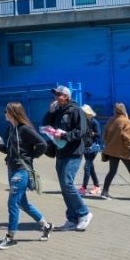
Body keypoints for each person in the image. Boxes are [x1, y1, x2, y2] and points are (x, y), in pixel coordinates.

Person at [0, 101, 53, 249]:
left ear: (13, 113)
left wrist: (29, 157)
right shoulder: (10, 129)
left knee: (12, 203)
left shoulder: (25, 129)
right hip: (11, 169)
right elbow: (10, 149)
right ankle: (46, 225)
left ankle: (10, 237)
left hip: (21, 171)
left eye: (6, 111)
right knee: (22, 203)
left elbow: (42, 145)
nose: (4, 113)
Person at [42, 85, 92, 232]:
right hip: (61, 152)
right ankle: (72, 218)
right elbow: (46, 125)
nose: (56, 97)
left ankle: (84, 213)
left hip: (74, 152)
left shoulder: (76, 110)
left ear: (67, 97)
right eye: (55, 95)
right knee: (64, 187)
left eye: (59, 95)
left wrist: (63, 135)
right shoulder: (58, 112)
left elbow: (81, 131)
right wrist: (50, 112)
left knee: (67, 183)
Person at [99, 103, 130, 200]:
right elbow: (128, 138)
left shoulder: (110, 120)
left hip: (112, 150)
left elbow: (104, 135)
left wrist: (109, 144)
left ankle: (104, 192)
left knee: (112, 171)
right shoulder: (126, 122)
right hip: (124, 151)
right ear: (124, 110)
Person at [78, 104, 102, 197]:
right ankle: (97, 187)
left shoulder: (94, 122)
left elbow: (99, 134)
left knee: (87, 167)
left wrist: (93, 133)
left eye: (83, 113)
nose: (82, 114)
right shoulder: (83, 122)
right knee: (90, 168)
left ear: (88, 113)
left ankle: (83, 188)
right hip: (86, 146)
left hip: (93, 147)